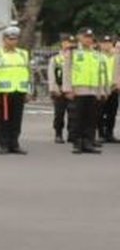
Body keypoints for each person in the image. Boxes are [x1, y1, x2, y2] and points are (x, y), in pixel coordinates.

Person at [62, 27, 104, 155]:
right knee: (77, 118)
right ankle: (77, 143)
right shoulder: (73, 52)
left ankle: (88, 142)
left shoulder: (97, 53)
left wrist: (101, 90)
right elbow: (67, 71)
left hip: (93, 91)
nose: (88, 39)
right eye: (85, 37)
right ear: (79, 37)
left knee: (91, 119)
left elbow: (100, 73)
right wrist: (67, 89)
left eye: (90, 37)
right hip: (78, 90)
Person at [0, 26, 30, 155]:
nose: (12, 42)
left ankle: (15, 144)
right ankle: (4, 144)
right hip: (3, 92)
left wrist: (29, 91)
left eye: (15, 39)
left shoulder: (23, 53)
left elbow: (28, 73)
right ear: (4, 39)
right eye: (10, 39)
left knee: (17, 119)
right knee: (3, 120)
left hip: (19, 90)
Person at [49, 33, 73, 144]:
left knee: (73, 114)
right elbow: (51, 74)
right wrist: (53, 88)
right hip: (59, 89)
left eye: (70, 43)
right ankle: (58, 134)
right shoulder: (55, 58)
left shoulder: (76, 58)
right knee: (59, 113)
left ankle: (72, 134)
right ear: (62, 44)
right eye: (66, 42)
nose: (68, 45)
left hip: (72, 90)